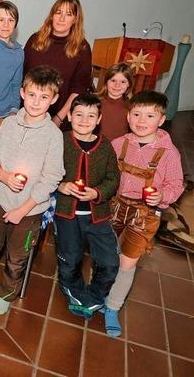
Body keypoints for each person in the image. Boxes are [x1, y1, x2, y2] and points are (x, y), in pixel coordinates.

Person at [0, 66, 64, 315]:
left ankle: (7, 293)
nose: (36, 102)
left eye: (44, 97)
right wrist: (3, 175)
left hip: (29, 210)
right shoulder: (9, 124)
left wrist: (24, 209)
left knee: (16, 257)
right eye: (31, 95)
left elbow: (53, 177)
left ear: (54, 99)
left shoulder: (53, 135)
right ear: (22, 92)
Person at [102, 91, 184, 337]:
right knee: (105, 255)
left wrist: (162, 197)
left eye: (149, 115)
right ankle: (97, 293)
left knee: (128, 262)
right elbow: (106, 173)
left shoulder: (169, 153)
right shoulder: (119, 144)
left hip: (144, 215)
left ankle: (112, 307)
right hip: (114, 208)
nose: (141, 120)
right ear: (128, 116)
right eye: (136, 114)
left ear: (161, 119)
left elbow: (175, 185)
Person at [54, 94, 120, 319]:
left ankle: (93, 298)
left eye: (91, 115)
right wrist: (61, 185)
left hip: (97, 216)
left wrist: (97, 192)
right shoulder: (60, 142)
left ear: (99, 119)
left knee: (110, 262)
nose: (84, 120)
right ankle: (75, 293)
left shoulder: (105, 146)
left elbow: (113, 178)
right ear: (70, 116)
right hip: (67, 214)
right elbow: (48, 171)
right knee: (70, 259)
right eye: (79, 114)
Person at [24, 0, 92, 130]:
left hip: (59, 118)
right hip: (27, 113)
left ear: (75, 20)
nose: (61, 18)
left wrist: (59, 118)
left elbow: (78, 89)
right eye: (58, 12)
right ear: (52, 15)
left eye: (68, 14)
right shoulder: (35, 40)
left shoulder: (82, 48)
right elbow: (22, 78)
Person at [95, 62, 134, 141]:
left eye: (123, 82)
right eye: (113, 80)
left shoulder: (132, 106)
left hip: (119, 148)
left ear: (129, 84)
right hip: (97, 146)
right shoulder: (95, 102)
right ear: (106, 81)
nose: (117, 85)